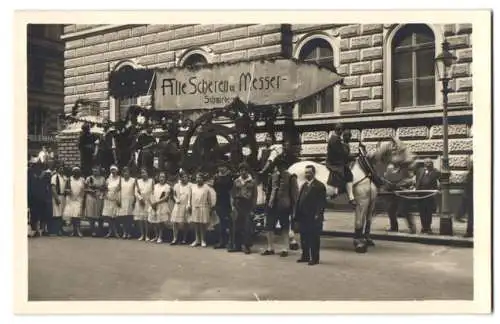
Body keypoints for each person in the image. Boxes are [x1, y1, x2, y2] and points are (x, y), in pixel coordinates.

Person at [261, 158, 298, 257]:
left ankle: (284, 248)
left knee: (285, 228)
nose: (279, 169)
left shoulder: (291, 177)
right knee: (269, 227)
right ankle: (270, 248)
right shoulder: (273, 177)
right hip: (272, 205)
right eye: (278, 166)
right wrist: (267, 204)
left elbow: (295, 195)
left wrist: (294, 210)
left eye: (282, 167)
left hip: (284, 206)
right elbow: (268, 192)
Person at [294, 165, 326, 266]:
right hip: (303, 216)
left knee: (314, 238)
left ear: (313, 173)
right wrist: (297, 214)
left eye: (309, 172)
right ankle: (305, 256)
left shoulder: (319, 186)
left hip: (313, 217)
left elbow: (321, 202)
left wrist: (318, 214)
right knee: (304, 237)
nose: (306, 174)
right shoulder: (304, 185)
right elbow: (299, 200)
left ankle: (315, 258)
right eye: (306, 172)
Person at [230, 163, 258, 254]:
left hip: (248, 205)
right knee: (237, 226)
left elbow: (254, 196)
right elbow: (233, 194)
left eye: (245, 170)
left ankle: (247, 246)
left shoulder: (252, 182)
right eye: (241, 170)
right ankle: (237, 246)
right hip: (238, 204)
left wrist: (253, 209)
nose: (243, 172)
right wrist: (233, 206)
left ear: (247, 171)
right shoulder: (236, 181)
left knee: (247, 227)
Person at [383, 163, 416, 234]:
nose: (389, 171)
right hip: (392, 196)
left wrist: (399, 185)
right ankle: (394, 227)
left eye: (390, 170)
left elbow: (409, 181)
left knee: (405, 211)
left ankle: (412, 228)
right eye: (388, 170)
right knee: (391, 211)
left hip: (402, 196)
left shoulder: (403, 173)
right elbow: (385, 186)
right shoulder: (387, 176)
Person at [326, 124, 355, 204]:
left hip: (336, 160)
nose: (341, 133)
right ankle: (350, 197)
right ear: (337, 130)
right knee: (349, 174)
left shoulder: (336, 139)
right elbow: (340, 153)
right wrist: (350, 156)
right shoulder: (335, 139)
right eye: (340, 131)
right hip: (334, 162)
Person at [190, 172, 215, 247]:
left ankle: (203, 240)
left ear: (203, 179)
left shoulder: (206, 187)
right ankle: (197, 239)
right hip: (195, 207)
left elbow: (209, 199)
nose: (198, 179)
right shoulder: (193, 187)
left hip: (203, 207)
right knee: (196, 224)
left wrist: (210, 208)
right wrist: (190, 205)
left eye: (200, 178)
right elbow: (191, 197)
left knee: (202, 225)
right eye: (197, 178)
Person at [415, 158, 440, 234]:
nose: (428, 164)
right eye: (426, 162)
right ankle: (423, 227)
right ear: (424, 164)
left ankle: (428, 227)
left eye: (429, 162)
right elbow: (417, 180)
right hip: (421, 194)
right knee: (422, 211)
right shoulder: (420, 170)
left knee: (428, 212)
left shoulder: (435, 171)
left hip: (429, 195)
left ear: (432, 164)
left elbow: (440, 180)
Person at [212, 162, 233, 249]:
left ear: (226, 168)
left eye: (223, 167)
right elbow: (215, 188)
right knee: (221, 223)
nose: (221, 169)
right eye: (220, 167)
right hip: (219, 201)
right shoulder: (216, 177)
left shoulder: (230, 176)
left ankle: (230, 242)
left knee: (230, 222)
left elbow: (231, 188)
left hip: (228, 202)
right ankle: (222, 241)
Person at [148, 171, 172, 244]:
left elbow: (166, 197)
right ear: (158, 178)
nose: (161, 178)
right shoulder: (155, 186)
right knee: (154, 222)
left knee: (160, 222)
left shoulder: (167, 186)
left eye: (163, 177)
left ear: (165, 178)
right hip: (154, 205)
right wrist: (152, 203)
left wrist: (157, 202)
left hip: (162, 205)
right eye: (160, 177)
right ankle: (156, 236)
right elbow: (151, 195)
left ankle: (160, 237)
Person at [62, 166, 86, 237]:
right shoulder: (69, 179)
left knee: (77, 216)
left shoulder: (82, 179)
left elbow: (84, 189)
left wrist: (82, 197)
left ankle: (78, 230)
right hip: (71, 199)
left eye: (78, 171)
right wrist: (68, 191)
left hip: (79, 199)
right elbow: (66, 189)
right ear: (73, 172)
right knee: (72, 215)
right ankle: (73, 230)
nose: (76, 173)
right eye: (75, 171)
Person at [170, 170, 192, 245]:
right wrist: (176, 199)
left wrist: (189, 204)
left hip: (186, 204)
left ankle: (184, 239)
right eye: (183, 177)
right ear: (180, 178)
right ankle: (174, 238)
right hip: (178, 205)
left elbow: (190, 196)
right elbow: (173, 195)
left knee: (185, 223)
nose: (185, 178)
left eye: (186, 177)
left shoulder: (190, 185)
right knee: (175, 222)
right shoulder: (176, 185)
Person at [84, 166, 106, 237]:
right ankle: (92, 230)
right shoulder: (89, 178)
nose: (95, 172)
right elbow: (85, 188)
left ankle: (100, 230)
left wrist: (100, 189)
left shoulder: (102, 178)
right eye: (94, 171)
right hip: (91, 197)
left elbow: (105, 188)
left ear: (99, 171)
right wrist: (91, 191)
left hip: (99, 197)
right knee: (91, 214)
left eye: (96, 171)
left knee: (99, 213)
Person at [134, 168, 154, 241]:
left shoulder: (151, 181)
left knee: (146, 220)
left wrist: (151, 201)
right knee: (140, 220)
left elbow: (153, 192)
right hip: (140, 201)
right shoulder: (138, 181)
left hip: (148, 202)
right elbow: (135, 192)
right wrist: (140, 199)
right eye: (142, 173)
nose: (143, 174)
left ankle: (147, 235)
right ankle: (142, 235)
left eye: (144, 172)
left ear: (147, 173)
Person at [102, 165, 121, 238]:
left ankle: (116, 232)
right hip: (108, 199)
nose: (113, 171)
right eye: (112, 170)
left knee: (115, 217)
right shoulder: (108, 179)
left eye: (114, 170)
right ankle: (110, 231)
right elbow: (105, 188)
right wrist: (105, 194)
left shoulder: (120, 179)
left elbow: (120, 189)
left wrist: (118, 198)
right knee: (109, 217)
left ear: (117, 171)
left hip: (116, 198)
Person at [116, 166, 136, 239]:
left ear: (129, 173)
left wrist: (134, 200)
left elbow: (135, 191)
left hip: (130, 199)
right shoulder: (121, 180)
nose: (125, 173)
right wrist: (118, 199)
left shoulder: (133, 180)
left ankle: (129, 233)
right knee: (123, 217)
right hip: (123, 199)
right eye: (124, 172)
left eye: (127, 172)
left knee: (129, 218)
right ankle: (124, 232)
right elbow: (118, 190)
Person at [50, 162, 67, 236]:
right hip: (57, 196)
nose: (61, 169)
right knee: (57, 214)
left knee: (62, 214)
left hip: (63, 197)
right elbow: (53, 188)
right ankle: (56, 230)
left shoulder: (65, 177)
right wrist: (56, 198)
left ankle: (61, 229)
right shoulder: (54, 177)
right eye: (60, 167)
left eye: (62, 167)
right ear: (57, 169)